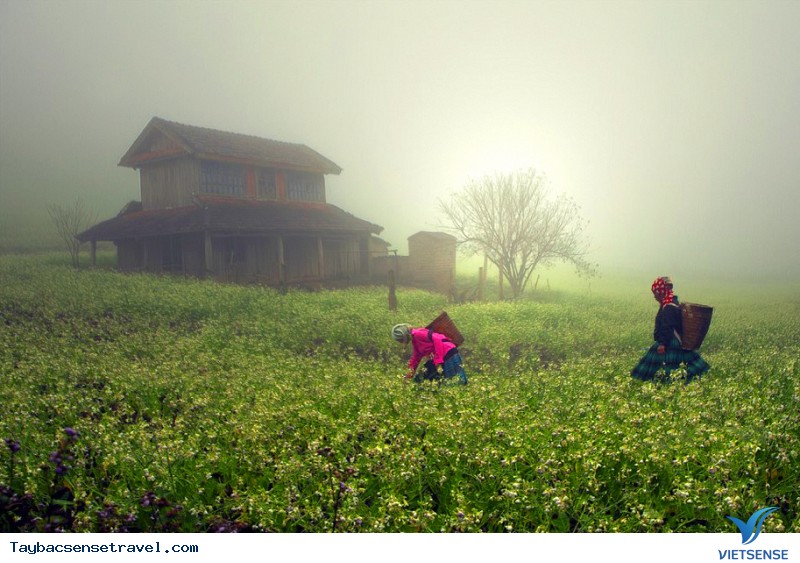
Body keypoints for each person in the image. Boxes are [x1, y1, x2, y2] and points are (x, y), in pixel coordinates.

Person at [631, 276, 710, 383]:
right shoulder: (672, 302)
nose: (654, 296)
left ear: (662, 291)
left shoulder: (669, 306)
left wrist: (662, 344)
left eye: (656, 292)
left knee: (666, 366)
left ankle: (665, 384)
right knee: (678, 364)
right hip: (673, 340)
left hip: (669, 341)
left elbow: (667, 326)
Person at [391, 324, 468, 385]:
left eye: (400, 340)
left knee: (456, 382)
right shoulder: (415, 341)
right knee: (421, 380)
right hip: (441, 357)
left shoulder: (418, 334)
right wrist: (408, 376)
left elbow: (437, 339)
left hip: (448, 353)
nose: (401, 342)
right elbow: (416, 358)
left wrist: (438, 361)